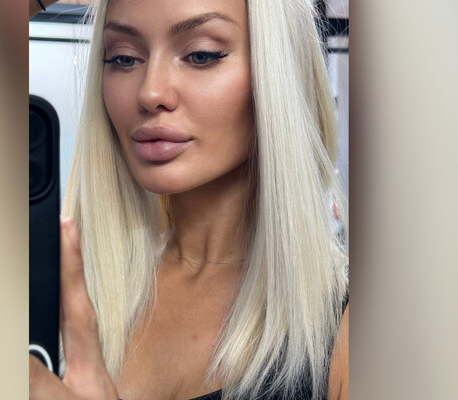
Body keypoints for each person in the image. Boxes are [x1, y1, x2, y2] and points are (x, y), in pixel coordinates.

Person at [29, 0, 349, 399]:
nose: (150, 92)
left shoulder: (350, 330)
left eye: (201, 55)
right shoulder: (60, 287)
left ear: (278, 70)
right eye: (124, 58)